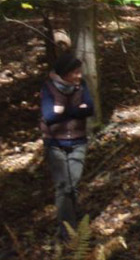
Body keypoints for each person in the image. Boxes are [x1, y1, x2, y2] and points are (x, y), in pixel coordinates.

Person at [40, 52, 94, 239]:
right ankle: (67, 231)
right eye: (75, 72)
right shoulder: (48, 87)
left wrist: (65, 110)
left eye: (80, 72)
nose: (79, 76)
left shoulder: (82, 86)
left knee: (73, 184)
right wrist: (76, 110)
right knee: (63, 186)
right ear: (65, 73)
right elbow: (49, 116)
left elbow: (90, 108)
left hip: (78, 141)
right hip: (55, 143)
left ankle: (70, 222)